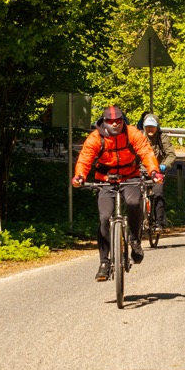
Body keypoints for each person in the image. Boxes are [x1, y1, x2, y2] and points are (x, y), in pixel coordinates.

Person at [72, 105, 162, 281]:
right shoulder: (95, 137)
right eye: (111, 121)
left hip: (130, 176)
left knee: (134, 203)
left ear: (123, 120)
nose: (114, 124)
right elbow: (85, 158)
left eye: (118, 121)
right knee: (105, 218)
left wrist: (153, 171)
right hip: (105, 179)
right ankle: (104, 263)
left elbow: (146, 152)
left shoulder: (132, 133)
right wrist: (79, 176)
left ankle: (135, 239)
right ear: (104, 122)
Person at [140, 112, 176, 229]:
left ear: (157, 126)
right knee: (134, 196)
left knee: (158, 194)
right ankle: (136, 222)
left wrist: (165, 165)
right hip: (141, 170)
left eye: (152, 126)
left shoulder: (163, 138)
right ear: (144, 126)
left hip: (157, 171)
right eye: (147, 126)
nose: (150, 129)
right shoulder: (139, 137)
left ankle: (158, 222)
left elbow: (170, 154)